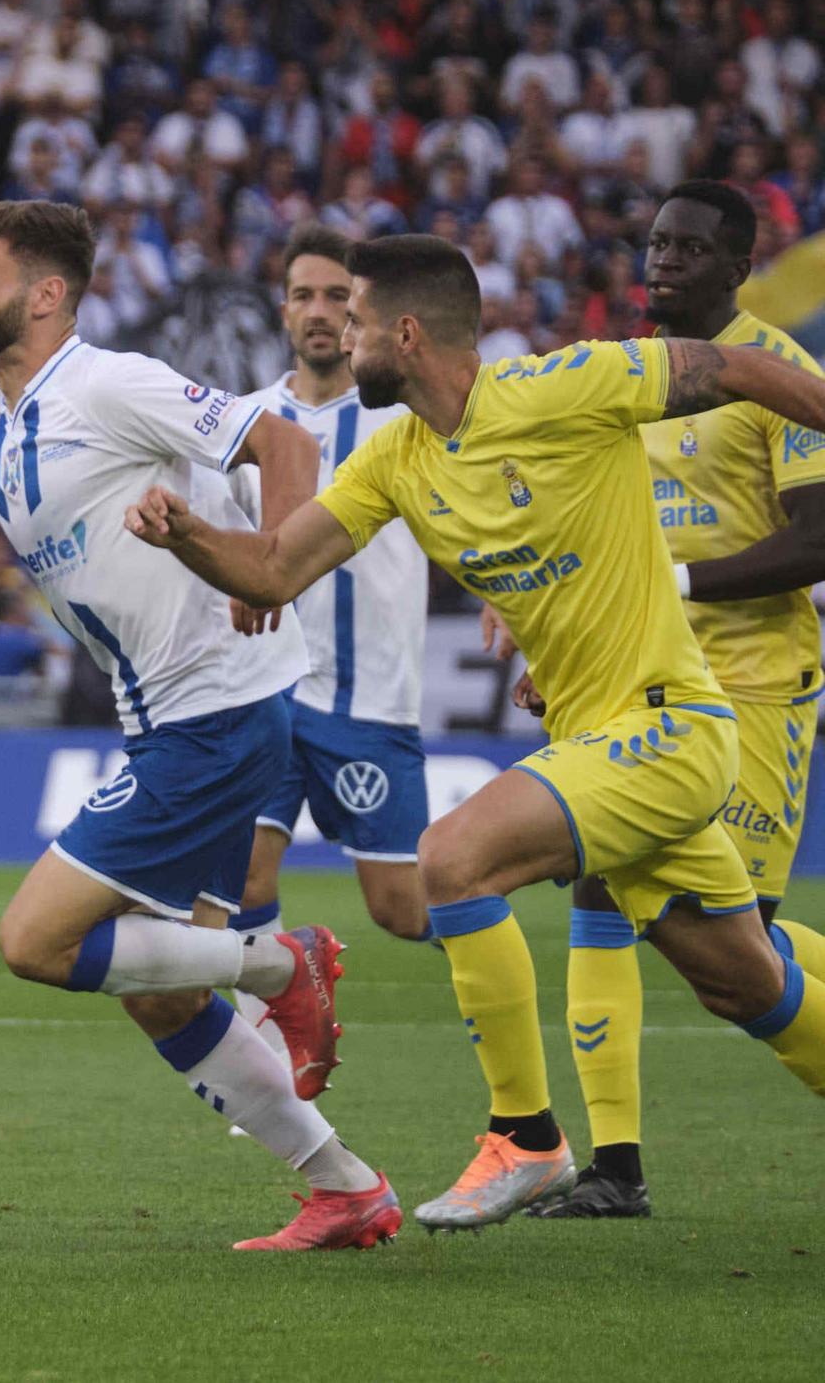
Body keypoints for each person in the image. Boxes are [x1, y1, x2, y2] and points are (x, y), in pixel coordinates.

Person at [124, 232, 825, 1232]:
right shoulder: (396, 459)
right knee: (743, 981)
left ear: (402, 334)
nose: (345, 335)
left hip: (667, 726)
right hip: (606, 741)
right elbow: (276, 567)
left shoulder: (565, 386)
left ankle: (525, 1137)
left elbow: (743, 367)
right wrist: (184, 533)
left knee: (448, 859)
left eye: (357, 318)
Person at [0, 199, 398, 1251]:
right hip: (166, 717)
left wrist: (270, 558)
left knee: (33, 940)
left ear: (43, 295)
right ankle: (342, 1184)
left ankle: (279, 964)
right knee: (156, 990)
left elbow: (280, 439)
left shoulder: (109, 382)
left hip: (217, 706)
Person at [497, 183, 825, 1220]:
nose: (663, 262)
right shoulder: (625, 379)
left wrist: (673, 587)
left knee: (736, 950)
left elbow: (817, 538)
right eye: (653, 242)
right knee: (603, 895)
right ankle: (615, 1168)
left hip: (753, 683)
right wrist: (553, 628)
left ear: (737, 265)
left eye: (689, 247)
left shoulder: (780, 376)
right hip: (634, 682)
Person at [225, 225, 430, 1085]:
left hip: (371, 698)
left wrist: (506, 606)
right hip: (271, 688)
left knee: (405, 910)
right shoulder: (244, 420)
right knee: (240, 881)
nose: (320, 312)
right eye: (305, 295)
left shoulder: (405, 417)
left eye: (338, 297)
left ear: (364, 312)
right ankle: (265, 1069)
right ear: (283, 309)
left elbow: (470, 523)